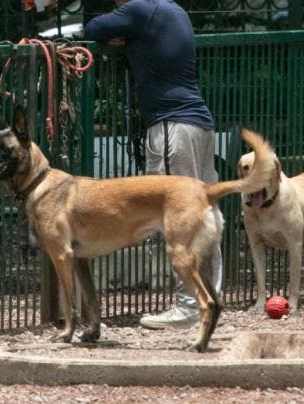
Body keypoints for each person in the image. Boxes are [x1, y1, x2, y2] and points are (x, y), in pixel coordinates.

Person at [84, 0, 222, 328]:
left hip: (171, 125)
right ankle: (211, 302)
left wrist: (121, 34)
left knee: (177, 219)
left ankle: (189, 307)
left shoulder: (138, 12)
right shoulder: (172, 9)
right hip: (200, 125)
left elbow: (93, 29)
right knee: (207, 216)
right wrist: (131, 39)